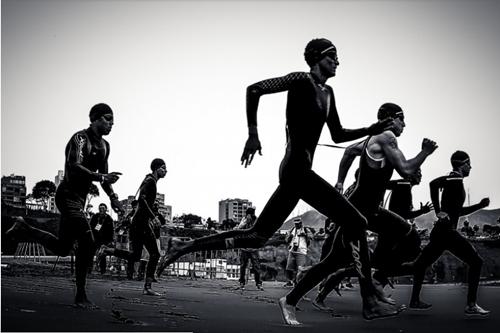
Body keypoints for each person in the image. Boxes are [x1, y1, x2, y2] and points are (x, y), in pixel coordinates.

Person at [156, 38, 399, 323]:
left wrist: (371, 128)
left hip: (299, 173)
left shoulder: (329, 93)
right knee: (356, 222)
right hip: (296, 168)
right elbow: (255, 89)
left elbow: (337, 134)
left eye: (337, 57)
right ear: (317, 58)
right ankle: (369, 299)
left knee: (257, 236)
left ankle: (181, 247)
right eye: (332, 56)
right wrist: (253, 133)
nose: (337, 61)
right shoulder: (300, 80)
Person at [284, 103, 437, 321]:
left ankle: (295, 297)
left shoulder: (371, 139)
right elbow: (406, 169)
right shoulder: (386, 137)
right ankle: (373, 289)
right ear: (392, 118)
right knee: (338, 260)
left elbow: (348, 151)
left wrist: (339, 182)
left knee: (337, 260)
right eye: (402, 119)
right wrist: (426, 152)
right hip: (359, 212)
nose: (404, 125)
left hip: (368, 210)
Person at [6, 103, 124, 308]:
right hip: (67, 196)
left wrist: (113, 198)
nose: (111, 123)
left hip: (79, 199)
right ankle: (81, 295)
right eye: (107, 118)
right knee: (87, 240)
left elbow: (104, 179)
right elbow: (74, 166)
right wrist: (100, 176)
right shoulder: (80, 139)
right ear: (95, 119)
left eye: (113, 120)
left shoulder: (105, 146)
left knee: (62, 247)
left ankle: (24, 228)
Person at [409, 151, 490, 317]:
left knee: (419, 265)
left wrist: (479, 206)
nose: (471, 167)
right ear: (462, 164)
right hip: (446, 232)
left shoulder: (455, 180)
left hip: (441, 233)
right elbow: (432, 184)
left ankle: (405, 294)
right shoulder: (455, 179)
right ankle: (471, 305)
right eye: (469, 164)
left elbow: (458, 211)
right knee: (476, 262)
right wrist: (438, 211)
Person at [100, 158, 167, 296]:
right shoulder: (151, 182)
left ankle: (109, 250)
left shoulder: (148, 180)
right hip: (141, 223)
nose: (166, 171)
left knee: (136, 255)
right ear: (156, 169)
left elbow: (142, 201)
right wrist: (153, 217)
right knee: (155, 253)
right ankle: (147, 287)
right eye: (163, 168)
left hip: (137, 223)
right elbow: (142, 200)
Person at [235, 207, 264, 291]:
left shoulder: (257, 221)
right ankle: (242, 283)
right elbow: (238, 229)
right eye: (250, 214)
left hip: (254, 248)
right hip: (244, 248)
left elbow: (260, 231)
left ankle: (258, 283)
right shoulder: (244, 220)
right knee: (243, 266)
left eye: (252, 214)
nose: (251, 215)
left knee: (256, 267)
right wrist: (244, 223)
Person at [137, 201, 166, 281]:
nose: (155, 208)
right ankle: (141, 273)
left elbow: (163, 222)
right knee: (145, 256)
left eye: (157, 206)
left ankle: (151, 275)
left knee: (155, 256)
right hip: (147, 237)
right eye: (154, 206)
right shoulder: (146, 214)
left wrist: (158, 214)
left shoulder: (158, 215)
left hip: (156, 237)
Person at [284, 218, 313, 287]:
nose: (296, 225)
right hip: (292, 250)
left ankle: (298, 283)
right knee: (289, 268)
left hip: (301, 251)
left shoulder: (306, 229)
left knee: (300, 268)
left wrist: (305, 234)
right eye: (295, 224)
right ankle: (290, 281)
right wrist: (289, 237)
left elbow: (311, 237)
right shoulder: (291, 230)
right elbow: (286, 240)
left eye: (298, 224)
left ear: (301, 223)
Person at [89, 203, 115, 274]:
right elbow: (91, 227)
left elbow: (111, 230)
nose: (101, 210)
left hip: (104, 239)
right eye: (100, 208)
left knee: (102, 254)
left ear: (106, 209)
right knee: (90, 253)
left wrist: (111, 240)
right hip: (95, 238)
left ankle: (102, 269)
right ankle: (89, 268)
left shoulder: (109, 218)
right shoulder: (95, 217)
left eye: (103, 208)